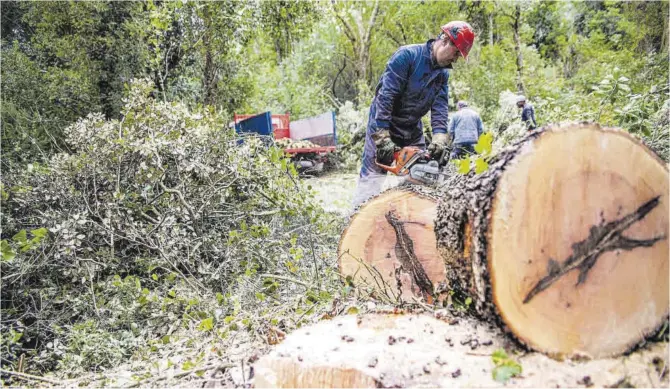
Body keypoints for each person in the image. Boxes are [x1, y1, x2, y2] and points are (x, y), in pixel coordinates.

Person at [351, 21, 475, 208]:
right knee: (372, 177)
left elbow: (440, 107)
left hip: (412, 127)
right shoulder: (407, 56)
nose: (456, 59)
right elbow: (386, 97)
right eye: (457, 53)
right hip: (384, 123)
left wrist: (440, 138)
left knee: (423, 172)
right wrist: (382, 136)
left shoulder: (442, 74)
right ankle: (355, 220)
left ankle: (406, 218)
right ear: (445, 40)